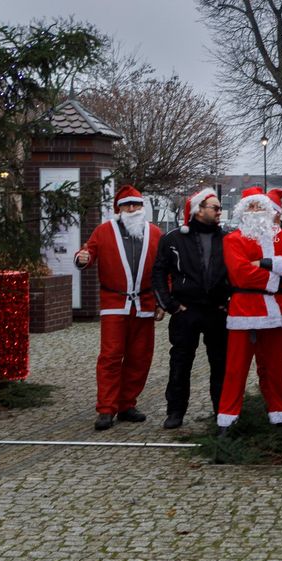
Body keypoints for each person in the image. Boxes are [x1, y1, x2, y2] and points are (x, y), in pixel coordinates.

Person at [216, 187, 282, 435]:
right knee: (236, 368)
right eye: (251, 207)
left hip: (276, 311)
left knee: (275, 367)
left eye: (260, 207)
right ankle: (228, 418)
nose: (256, 212)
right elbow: (240, 273)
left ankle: (280, 415)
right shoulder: (233, 239)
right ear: (243, 212)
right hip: (244, 310)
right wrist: (278, 276)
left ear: (270, 211)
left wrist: (265, 263)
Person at [76, 184, 162, 431]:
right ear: (119, 209)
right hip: (114, 303)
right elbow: (88, 252)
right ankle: (106, 409)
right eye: (127, 205)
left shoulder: (154, 233)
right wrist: (82, 258)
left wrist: (161, 302)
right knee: (111, 357)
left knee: (140, 357)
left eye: (135, 205)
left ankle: (127, 404)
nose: (132, 209)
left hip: (144, 304)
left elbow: (162, 270)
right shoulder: (104, 231)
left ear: (142, 207)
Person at [151, 186, 230, 430]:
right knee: (180, 362)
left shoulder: (227, 238)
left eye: (220, 208)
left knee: (220, 363)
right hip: (186, 310)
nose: (219, 212)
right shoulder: (173, 239)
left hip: (217, 311)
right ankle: (175, 411)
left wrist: (229, 301)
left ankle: (222, 412)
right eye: (215, 208)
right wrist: (170, 304)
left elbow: (238, 272)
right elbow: (158, 272)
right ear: (198, 210)